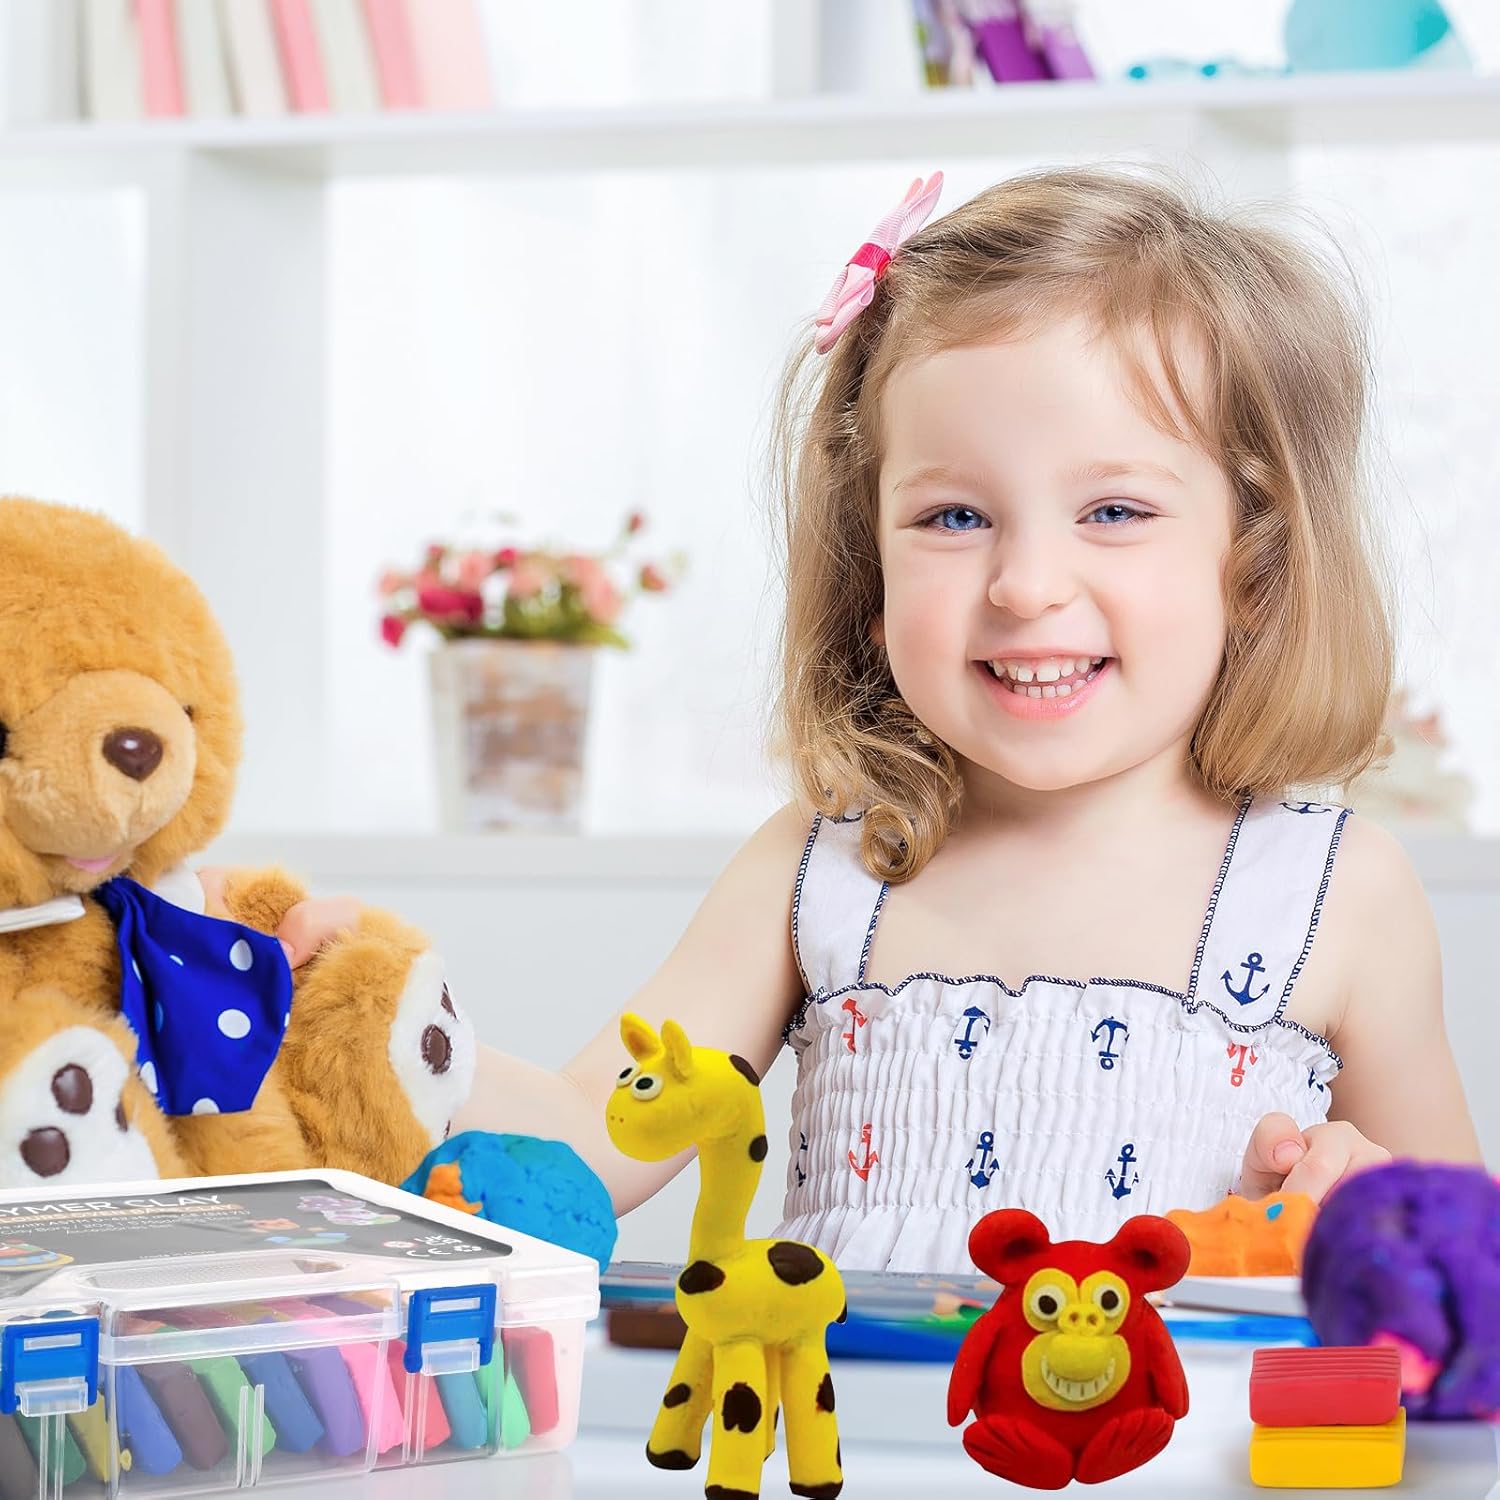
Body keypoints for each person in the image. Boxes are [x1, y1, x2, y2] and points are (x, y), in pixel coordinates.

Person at [251, 166, 1480, 1272]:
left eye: (1113, 511)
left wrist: (1369, 1215)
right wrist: (383, 1018)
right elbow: (586, 1139)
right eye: (955, 518)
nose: (1026, 585)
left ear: (1254, 564)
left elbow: (1469, 1273)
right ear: (869, 563)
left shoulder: (1337, 895)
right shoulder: (828, 865)